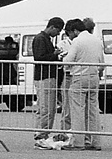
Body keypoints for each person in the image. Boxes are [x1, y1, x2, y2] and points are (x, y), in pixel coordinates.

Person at [64, 17, 105, 150]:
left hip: (79, 77)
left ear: (75, 31)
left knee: (77, 110)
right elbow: (102, 62)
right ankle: (95, 142)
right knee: (93, 110)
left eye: (70, 33)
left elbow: (68, 61)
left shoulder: (77, 41)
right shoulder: (97, 41)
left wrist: (64, 59)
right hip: (94, 77)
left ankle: (79, 142)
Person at [31, 18, 65, 146]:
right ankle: (42, 133)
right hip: (45, 76)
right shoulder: (41, 39)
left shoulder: (43, 38)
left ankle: (40, 132)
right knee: (47, 107)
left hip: (45, 76)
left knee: (44, 106)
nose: (58, 33)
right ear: (52, 27)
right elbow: (39, 58)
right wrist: (55, 54)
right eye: (58, 30)